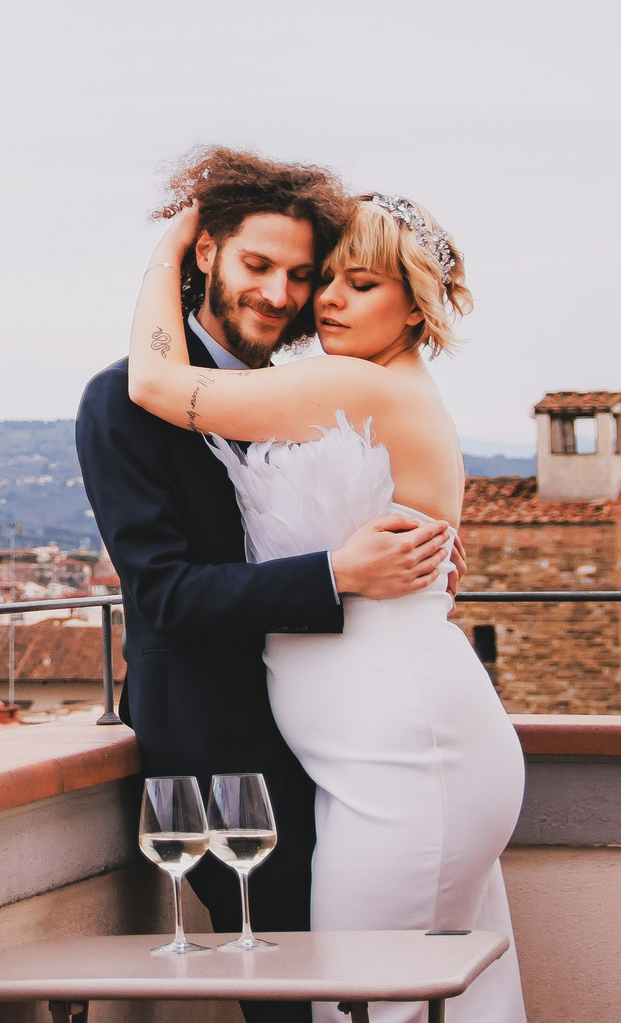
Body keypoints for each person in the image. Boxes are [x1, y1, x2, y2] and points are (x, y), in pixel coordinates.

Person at [126, 182, 526, 1023]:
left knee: (361, 1003)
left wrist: (175, 246)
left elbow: (155, 383)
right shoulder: (361, 385)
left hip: (410, 754)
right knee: (420, 1002)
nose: (331, 298)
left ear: (416, 308)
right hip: (390, 749)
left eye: (365, 283)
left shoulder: (361, 386)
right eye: (331, 278)